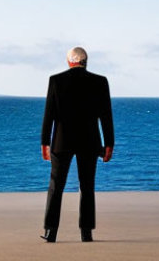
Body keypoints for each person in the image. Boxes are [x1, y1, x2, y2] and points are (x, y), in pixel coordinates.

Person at [41, 46, 114, 243]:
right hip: (89, 141)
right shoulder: (100, 82)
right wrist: (109, 144)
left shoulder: (56, 80)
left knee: (56, 186)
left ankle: (51, 231)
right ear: (85, 61)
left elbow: (49, 114)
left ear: (69, 61)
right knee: (87, 186)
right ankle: (86, 232)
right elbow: (106, 116)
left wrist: (44, 142)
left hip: (61, 141)